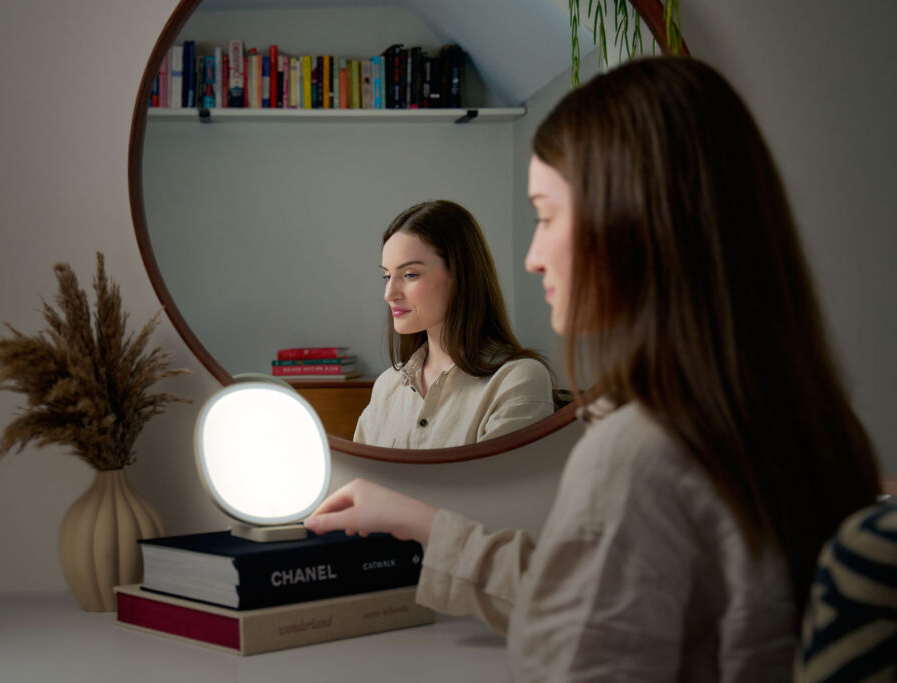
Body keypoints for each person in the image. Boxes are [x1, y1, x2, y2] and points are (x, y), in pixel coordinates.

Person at [307, 57, 882, 679]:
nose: (531, 257)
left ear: (635, 223)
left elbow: (581, 639)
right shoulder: (805, 420)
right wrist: (425, 525)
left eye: (547, 217)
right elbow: (592, 595)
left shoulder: (643, 453)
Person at [353, 199, 556, 448]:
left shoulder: (517, 380)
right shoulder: (387, 386)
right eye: (387, 275)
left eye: (409, 275)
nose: (389, 293)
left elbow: (493, 486)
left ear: (460, 276)